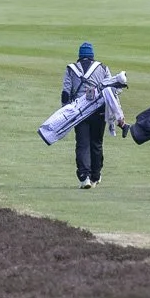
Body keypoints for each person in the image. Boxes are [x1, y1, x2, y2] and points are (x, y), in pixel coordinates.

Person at [61, 42, 125, 188]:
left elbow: (66, 93)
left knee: (82, 143)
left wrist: (65, 112)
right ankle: (95, 176)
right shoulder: (103, 68)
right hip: (99, 111)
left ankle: (84, 177)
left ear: (80, 56)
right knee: (96, 143)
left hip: (79, 112)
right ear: (92, 55)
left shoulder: (71, 69)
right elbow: (112, 90)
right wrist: (117, 112)